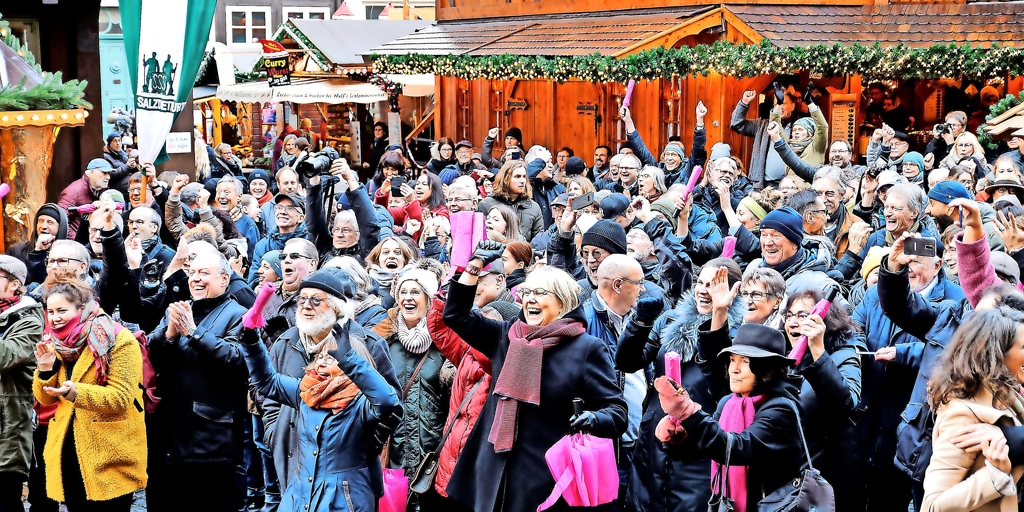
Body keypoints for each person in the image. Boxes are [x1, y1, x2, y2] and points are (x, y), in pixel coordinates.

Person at [442, 249, 627, 512]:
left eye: (540, 294)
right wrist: (473, 266)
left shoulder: (587, 348)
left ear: (563, 303)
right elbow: (455, 316)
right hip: (492, 474)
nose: (530, 299)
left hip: (548, 481)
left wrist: (593, 419)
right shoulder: (506, 335)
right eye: (526, 293)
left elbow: (617, 412)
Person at [257, 270, 401, 502]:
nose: (305, 306)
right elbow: (269, 391)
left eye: (315, 300)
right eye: (302, 299)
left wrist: (360, 443)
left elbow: (390, 407)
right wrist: (274, 433)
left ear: (335, 308)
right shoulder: (284, 342)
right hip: (294, 465)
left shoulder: (369, 344)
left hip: (344, 476)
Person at [653, 323, 806, 512]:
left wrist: (688, 412)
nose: (734, 369)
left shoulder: (781, 409)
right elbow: (707, 447)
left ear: (768, 369)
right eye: (733, 360)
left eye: (745, 362)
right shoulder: (729, 402)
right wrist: (678, 439)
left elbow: (737, 448)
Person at [145, 250, 250, 512]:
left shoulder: (239, 314)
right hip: (168, 436)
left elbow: (237, 359)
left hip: (213, 441)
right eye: (192, 273)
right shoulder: (181, 309)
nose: (196, 279)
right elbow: (152, 358)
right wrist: (168, 335)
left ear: (225, 279)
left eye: (204, 273)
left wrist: (193, 332)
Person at [32, 277, 146, 510]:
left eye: (61, 310)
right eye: (50, 311)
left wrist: (76, 393)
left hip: (108, 453)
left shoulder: (119, 339)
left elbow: (122, 398)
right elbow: (44, 399)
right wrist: (44, 370)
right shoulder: (59, 342)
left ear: (81, 309)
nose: (54, 318)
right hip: (67, 451)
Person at [922, 307, 1024, 512]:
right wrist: (995, 476)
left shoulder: (1011, 393)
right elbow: (932, 506)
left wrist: (1008, 436)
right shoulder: (962, 414)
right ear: (997, 353)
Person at [371, 268, 450, 510]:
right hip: (393, 450)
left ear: (428, 298)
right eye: (403, 292)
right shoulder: (383, 340)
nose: (407, 297)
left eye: (415, 292)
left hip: (434, 453)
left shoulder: (446, 340)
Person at [781, 289, 864, 511]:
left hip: (826, 481)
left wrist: (818, 351)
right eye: (789, 316)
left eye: (803, 315)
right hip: (785, 479)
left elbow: (847, 403)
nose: (793, 323)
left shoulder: (843, 354)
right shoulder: (784, 358)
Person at [0, 256, 45, 511]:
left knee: (5, 501)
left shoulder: (28, 319)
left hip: (7, 426)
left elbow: (6, 356)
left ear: (15, 284)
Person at [477, 160, 545, 243]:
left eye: (524, 176)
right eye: (517, 176)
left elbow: (539, 242)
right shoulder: (486, 204)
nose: (522, 181)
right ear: (505, 179)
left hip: (523, 254)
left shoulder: (534, 208)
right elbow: (479, 237)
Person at [58, 158, 114, 239]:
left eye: (109, 173)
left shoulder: (103, 190)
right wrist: (76, 240)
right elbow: (60, 220)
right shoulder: (73, 191)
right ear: (91, 172)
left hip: (96, 240)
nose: (108, 177)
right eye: (104, 173)